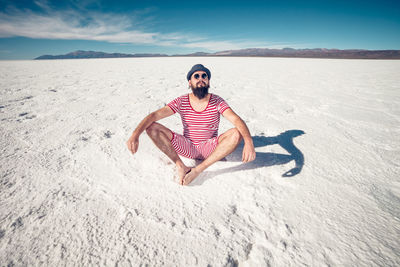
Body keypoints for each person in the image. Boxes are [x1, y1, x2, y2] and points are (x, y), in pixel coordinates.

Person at [126, 64, 256, 185]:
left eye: (204, 76)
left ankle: (198, 169)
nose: (201, 79)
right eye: (196, 76)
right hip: (186, 146)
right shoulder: (182, 101)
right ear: (190, 82)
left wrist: (249, 141)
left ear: (208, 81)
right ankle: (180, 165)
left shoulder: (217, 101)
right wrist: (135, 134)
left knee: (237, 133)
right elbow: (154, 116)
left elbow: (236, 119)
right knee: (152, 127)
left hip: (211, 148)